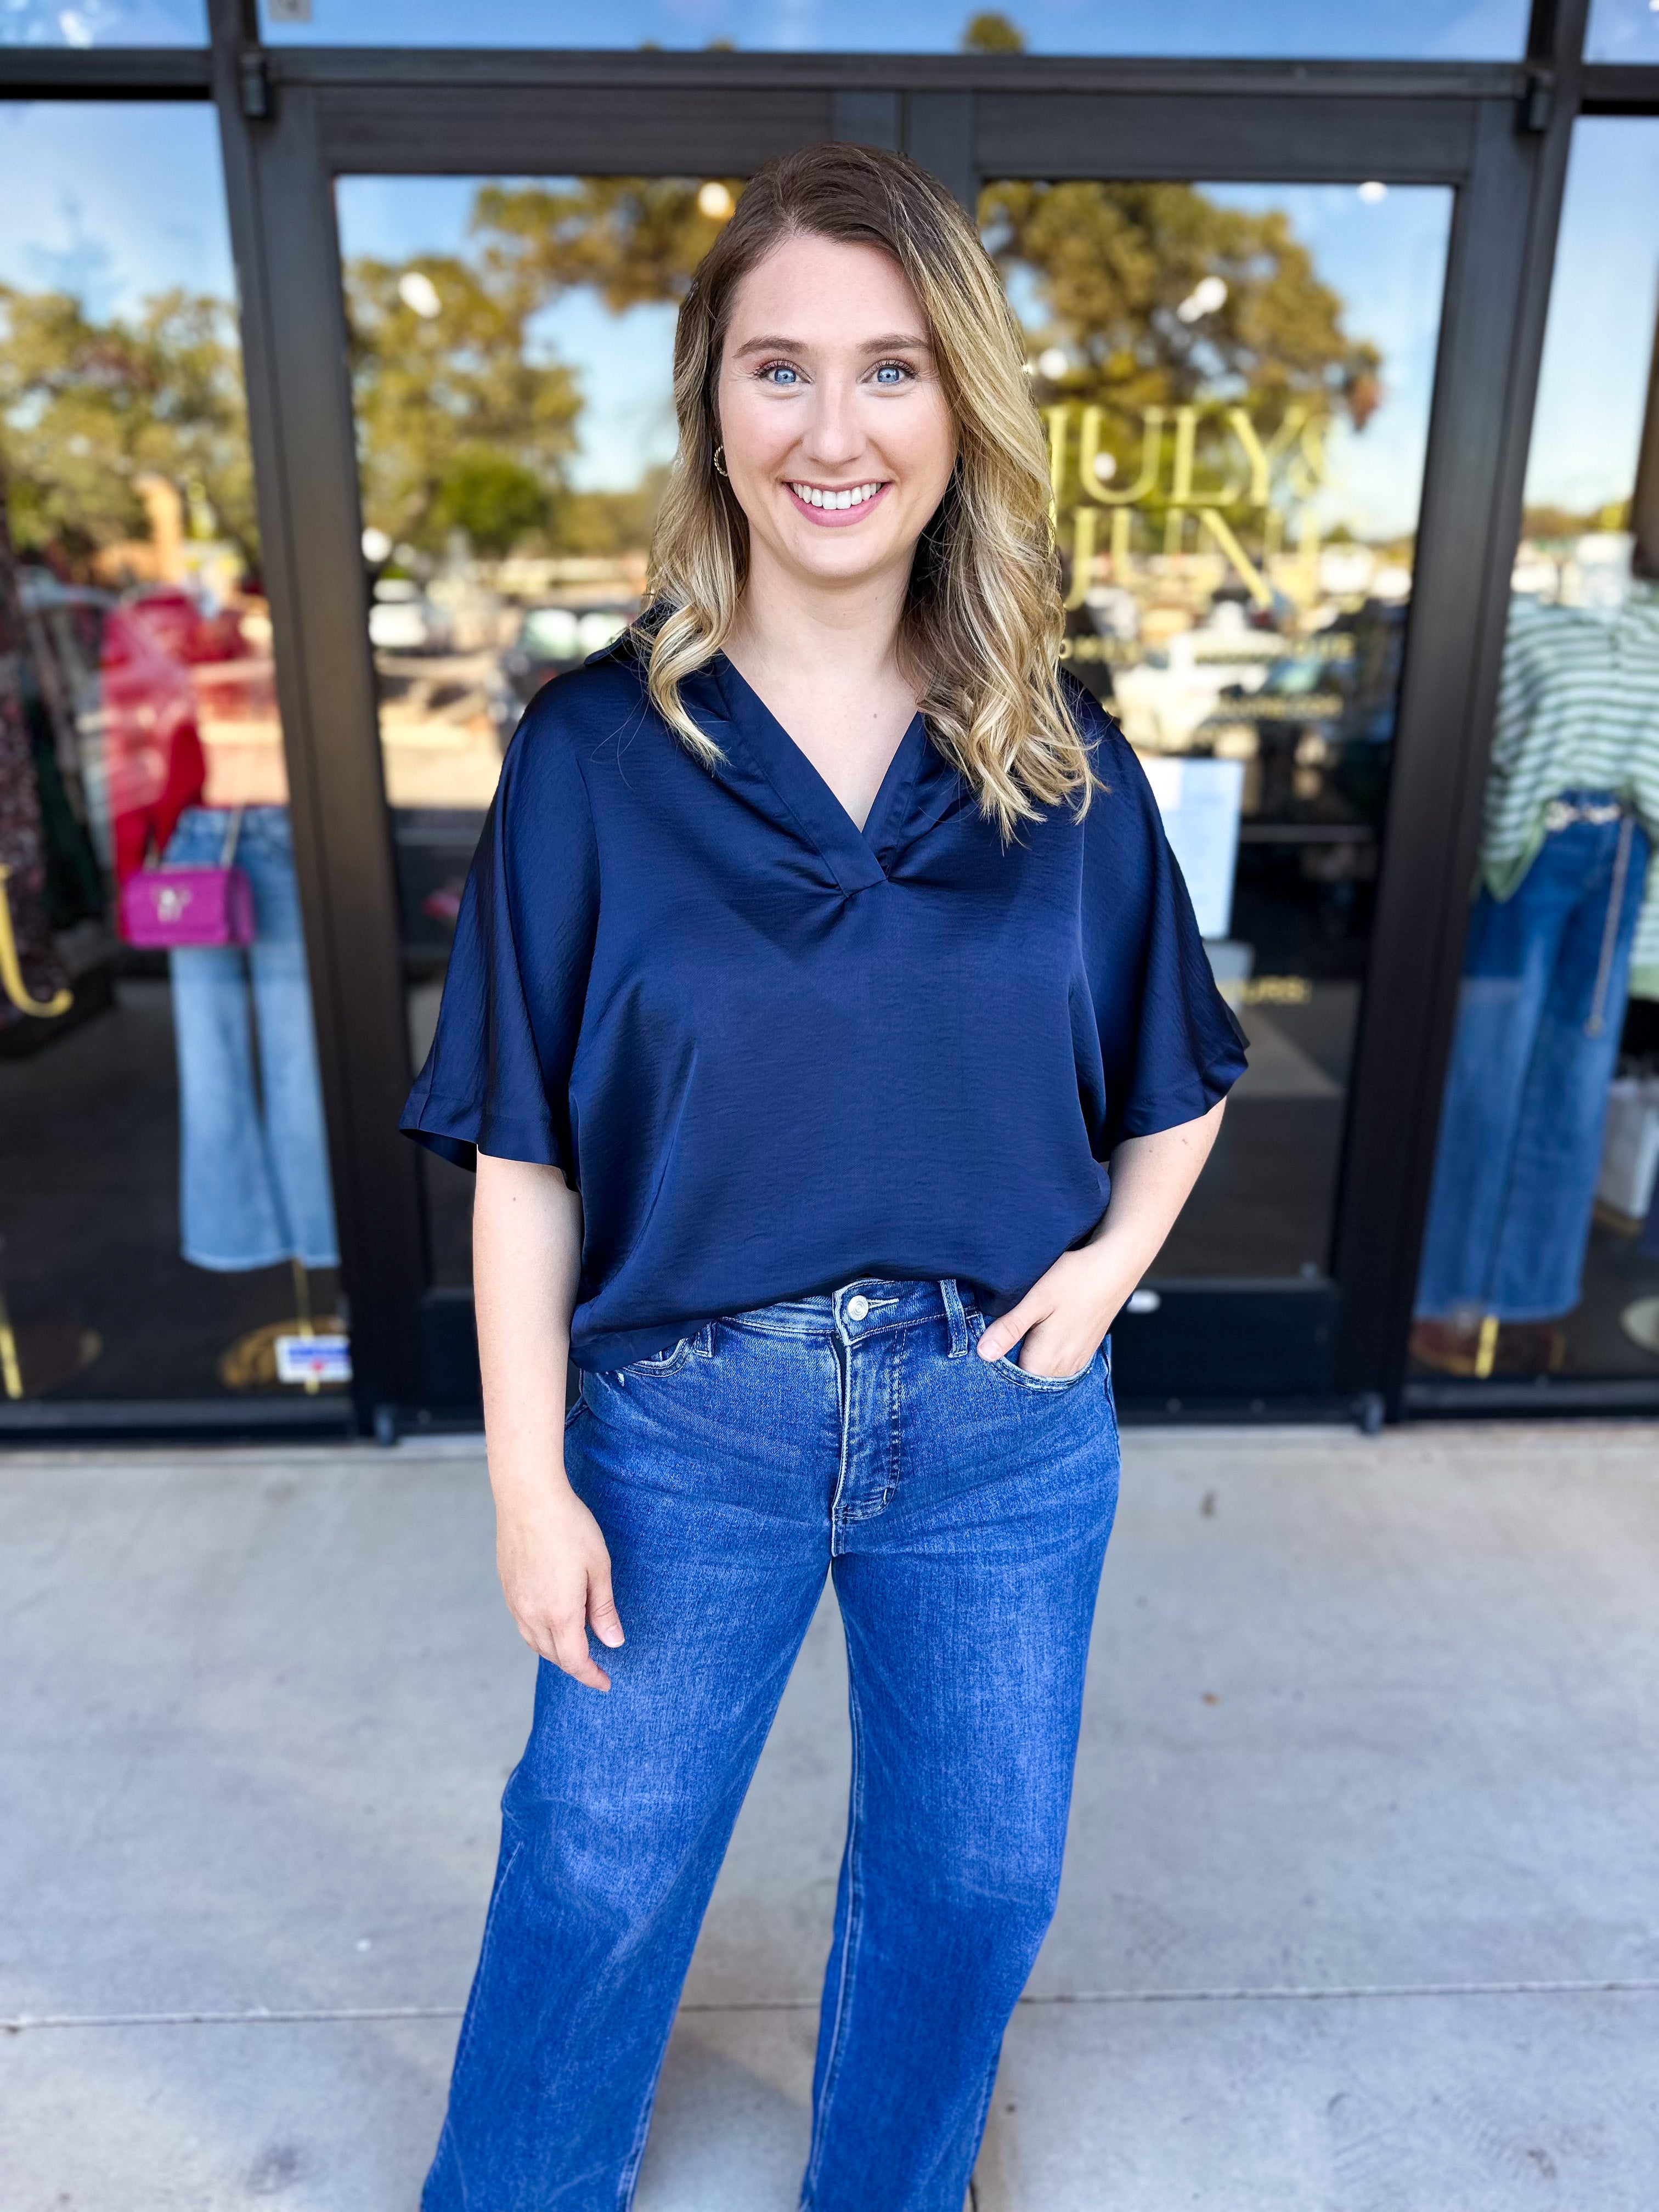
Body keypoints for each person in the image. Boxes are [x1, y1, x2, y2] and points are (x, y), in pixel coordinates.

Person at [402, 142, 1248, 2212]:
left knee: (977, 1888)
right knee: (594, 1870)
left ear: (959, 409)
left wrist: (1111, 1267)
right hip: (687, 1424)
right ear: (713, 405)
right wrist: (530, 1484)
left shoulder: (1059, 755)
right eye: (780, 370)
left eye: (890, 371)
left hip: (1001, 1430)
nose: (835, 429)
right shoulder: (596, 751)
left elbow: (1181, 1076)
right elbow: (524, 1153)